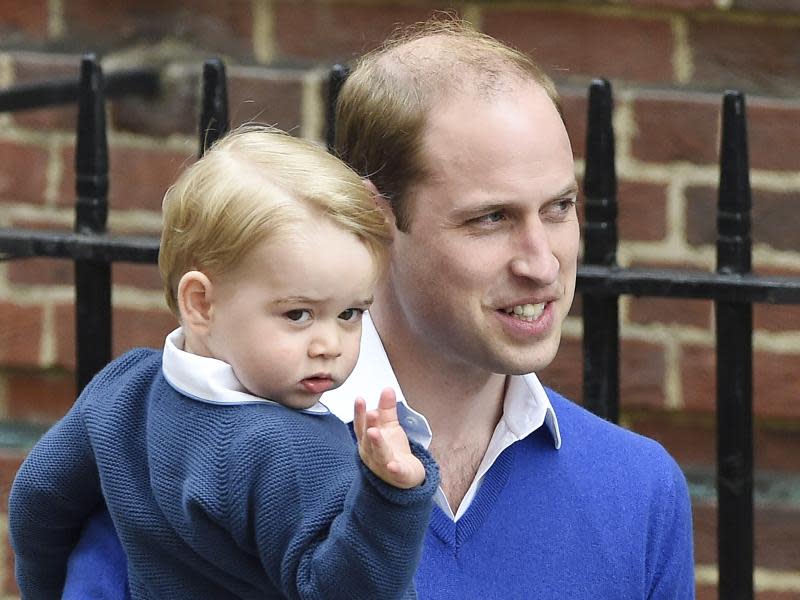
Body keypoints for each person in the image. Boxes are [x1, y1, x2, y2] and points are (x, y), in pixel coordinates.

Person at [56, 17, 695, 599]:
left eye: (559, 208)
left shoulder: (639, 491)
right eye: (491, 218)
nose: (542, 262)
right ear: (377, 219)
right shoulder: (182, 451)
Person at [9, 126, 440, 599]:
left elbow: (38, 499)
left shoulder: (123, 389)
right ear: (200, 304)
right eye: (298, 314)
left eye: (349, 314)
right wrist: (391, 498)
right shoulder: (294, 449)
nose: (330, 344)